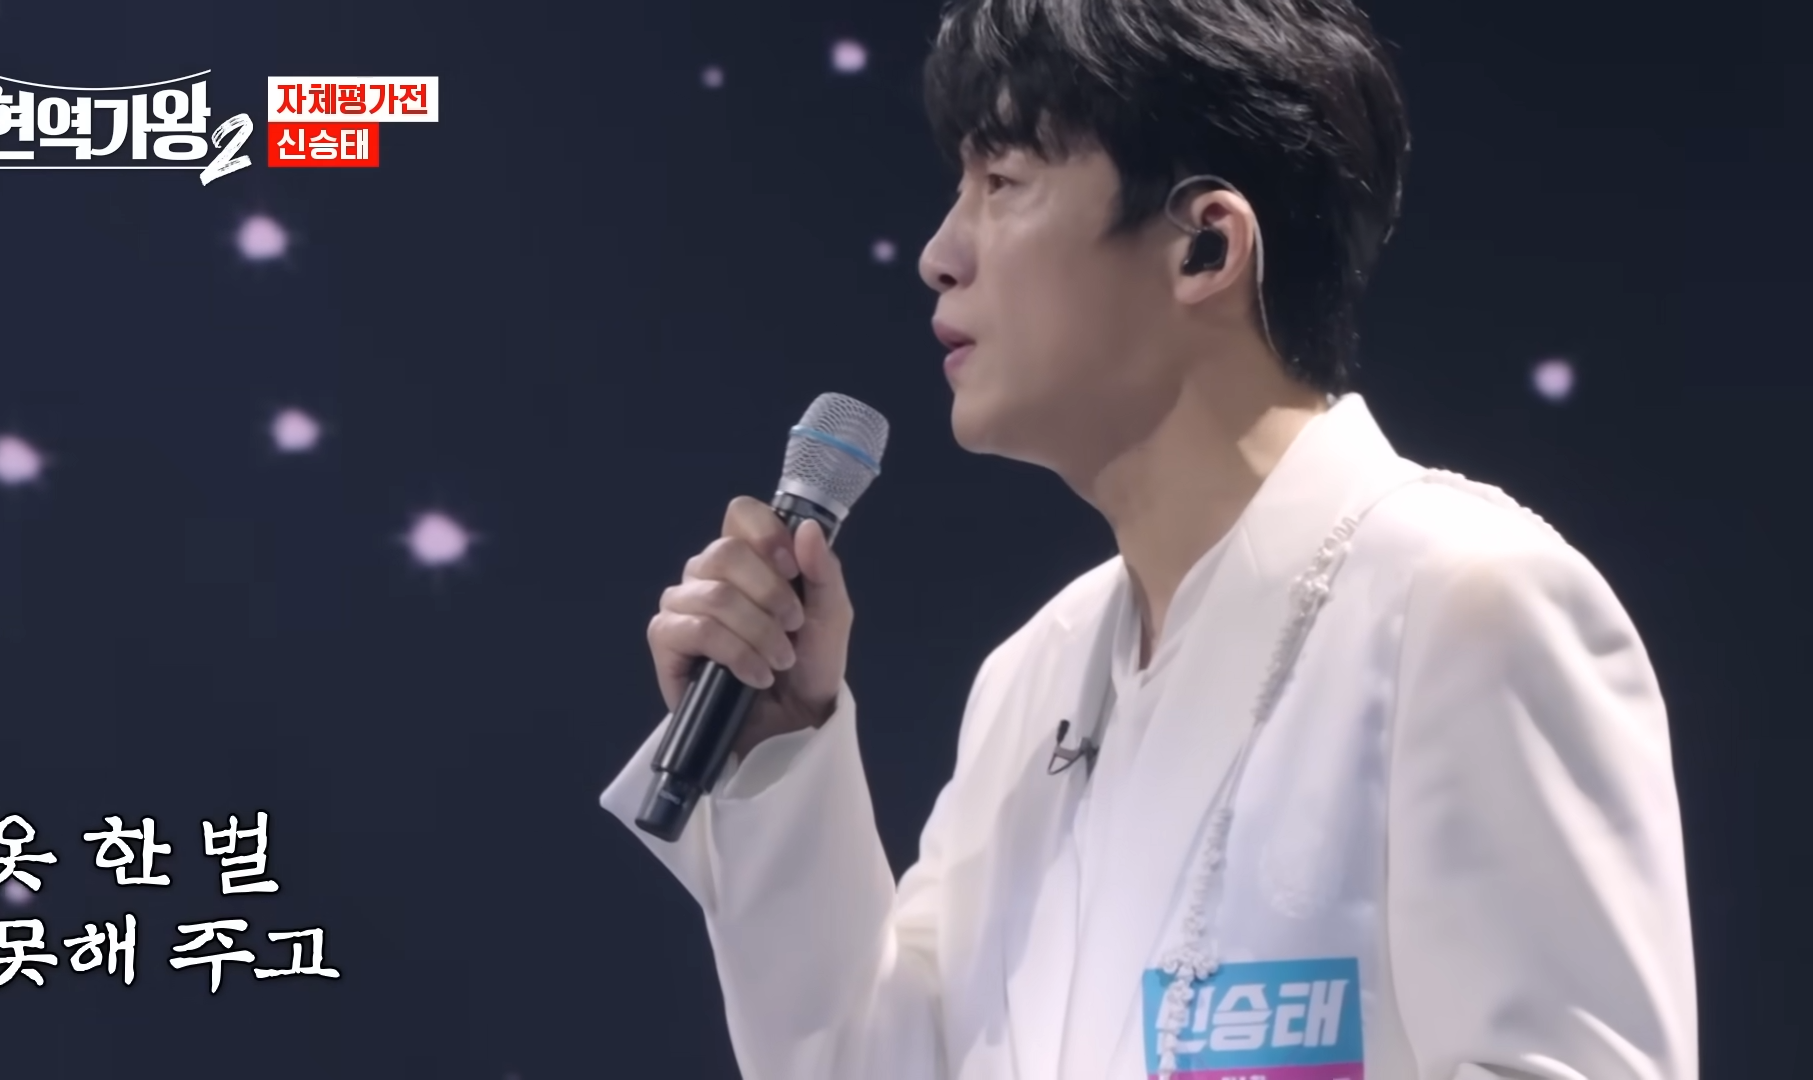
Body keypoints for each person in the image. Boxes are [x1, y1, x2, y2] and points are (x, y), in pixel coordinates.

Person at [600, 0, 1698, 1076]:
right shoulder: (1032, 676)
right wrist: (780, 745)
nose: (939, 252)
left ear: (1204, 245)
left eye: (1002, 181)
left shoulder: (1466, 601)